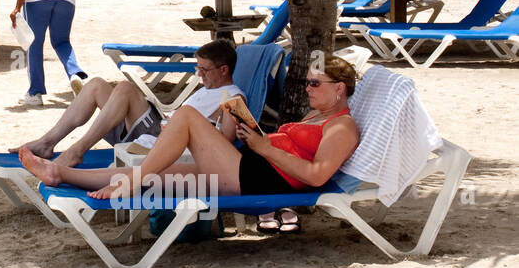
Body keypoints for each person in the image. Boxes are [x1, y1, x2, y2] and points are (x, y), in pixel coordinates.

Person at [18, 55, 361, 222]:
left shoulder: (342, 127)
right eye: (307, 83)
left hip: (257, 179)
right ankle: (59, 173)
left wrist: (266, 147)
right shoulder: (319, 115)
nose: (308, 89)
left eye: (316, 84)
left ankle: (134, 181)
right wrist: (257, 136)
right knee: (163, 178)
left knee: (185, 118)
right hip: (251, 167)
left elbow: (316, 174)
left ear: (340, 89)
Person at [14, 39, 245, 165]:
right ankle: (47, 143)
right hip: (162, 127)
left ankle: (77, 150)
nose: (199, 74)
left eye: (204, 70)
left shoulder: (233, 97)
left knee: (125, 88)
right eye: (198, 68)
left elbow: (224, 142)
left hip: (167, 138)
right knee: (95, 85)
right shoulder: (208, 88)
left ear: (224, 70)